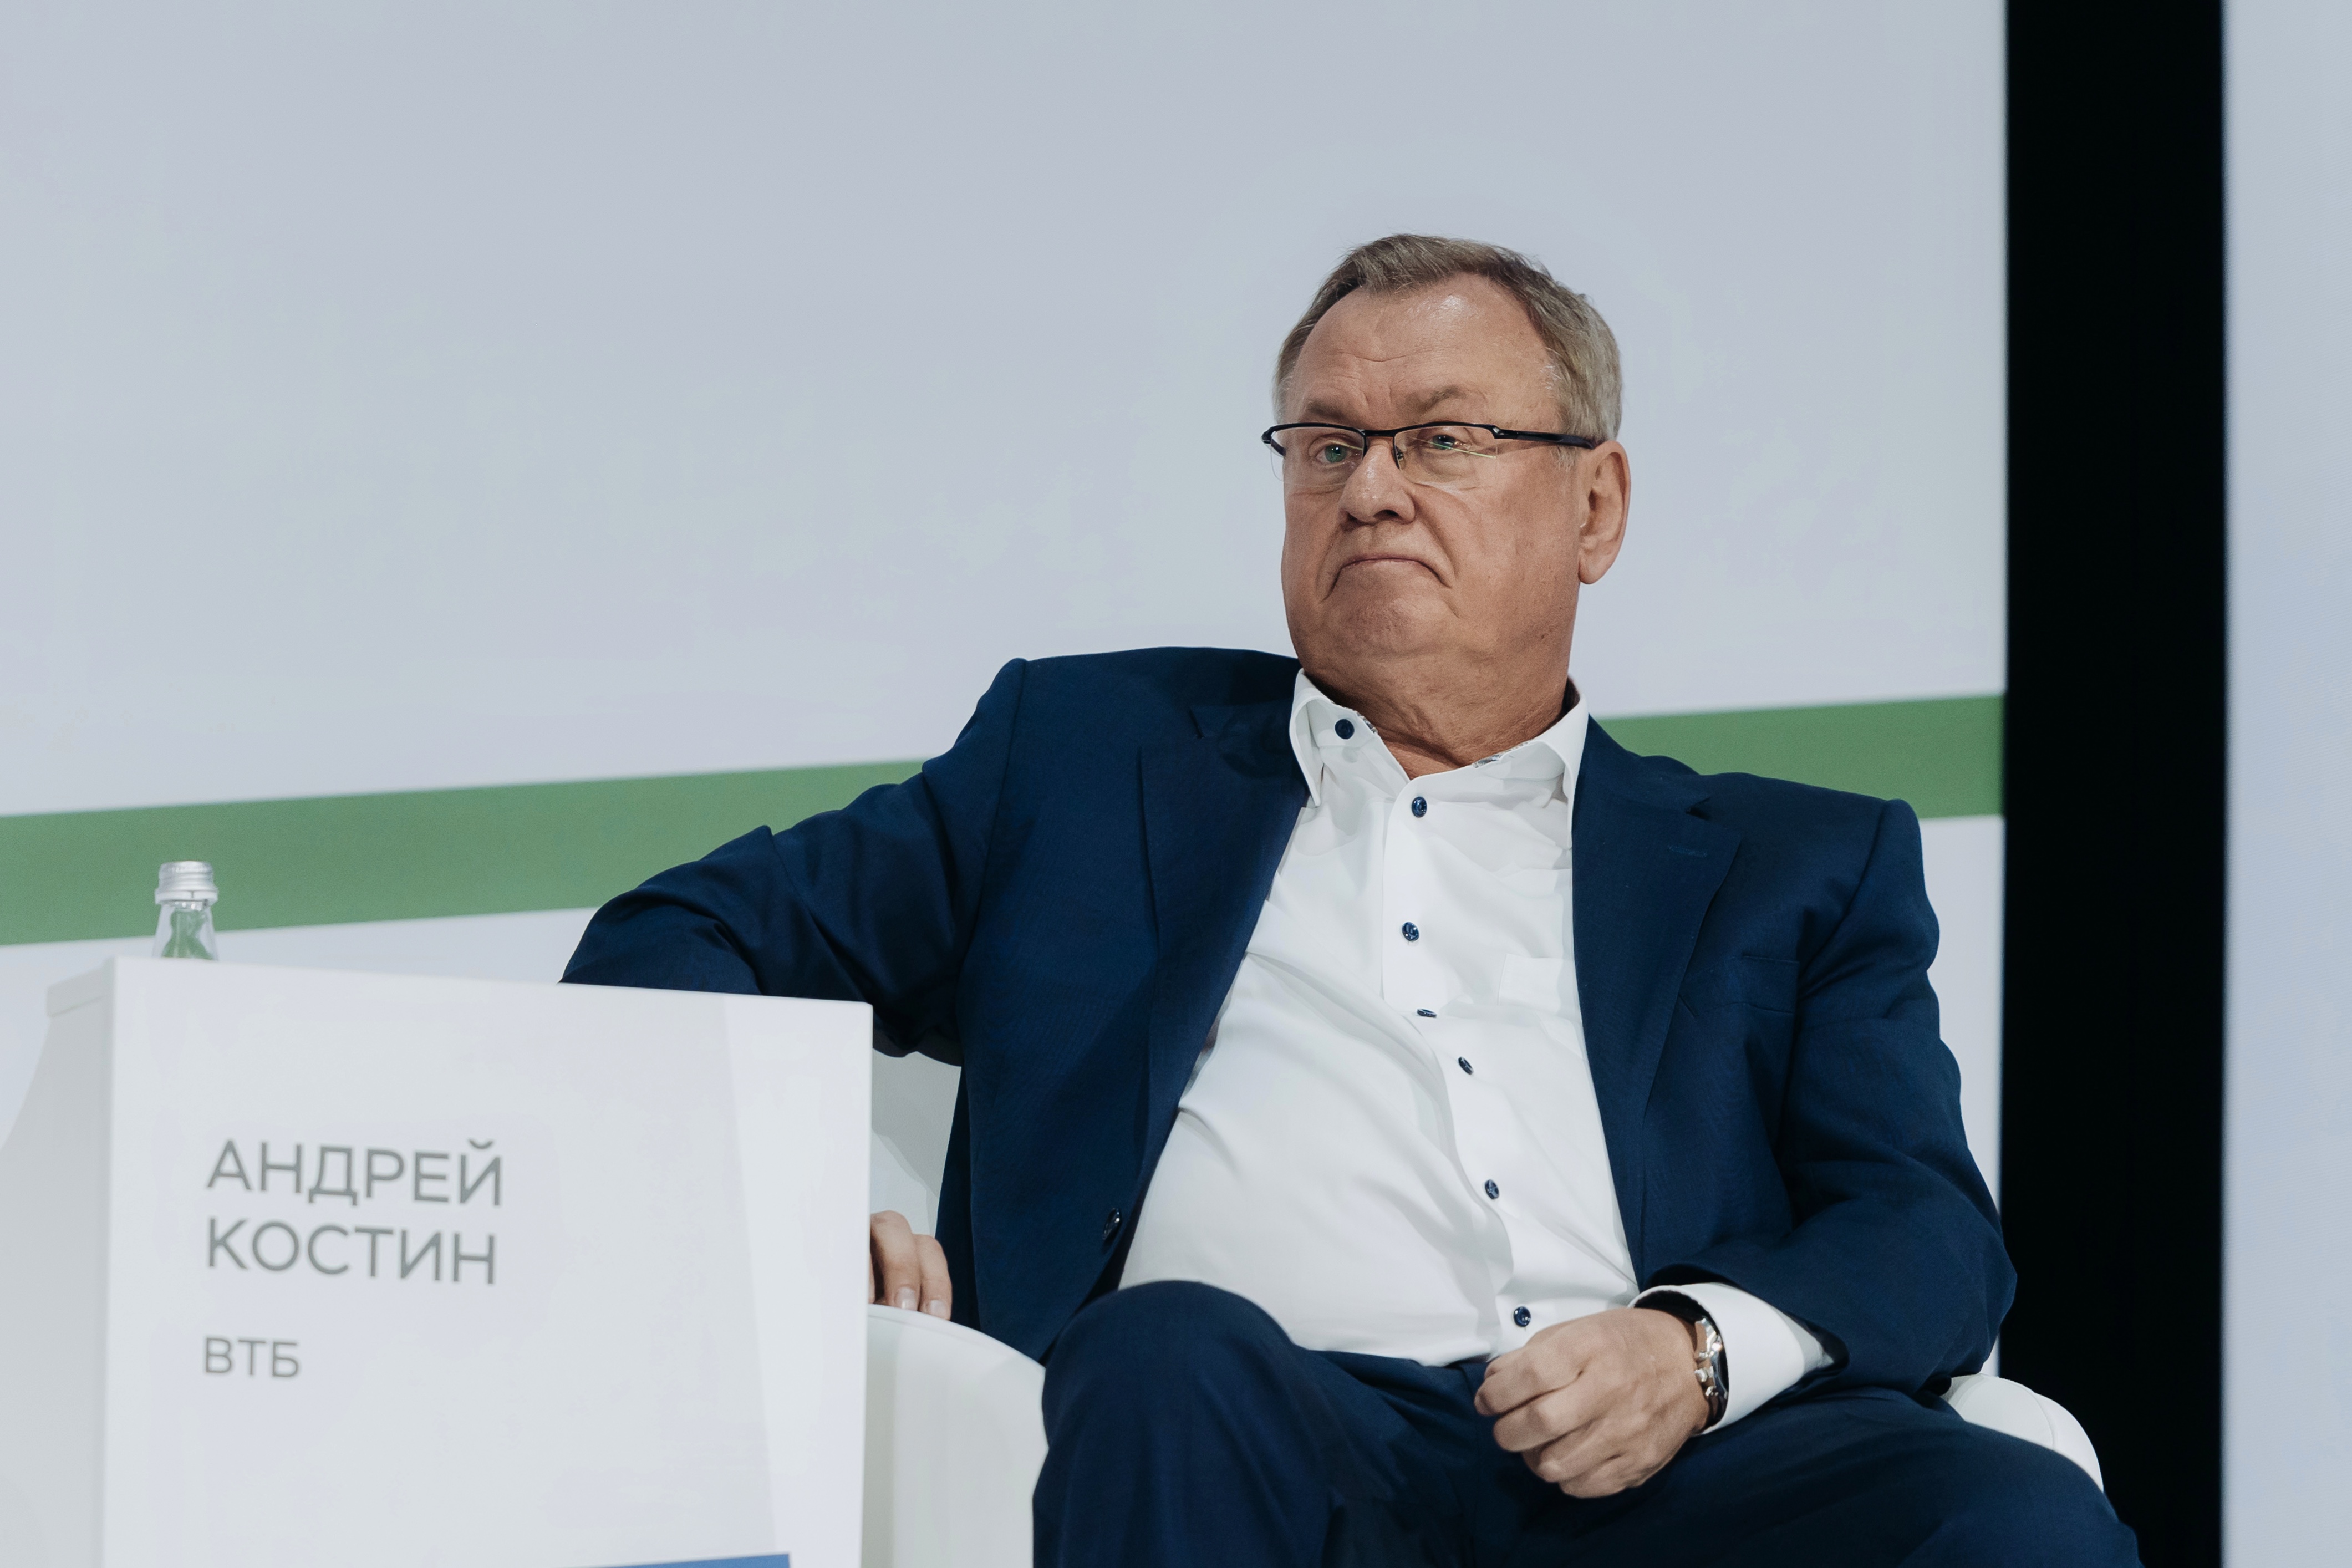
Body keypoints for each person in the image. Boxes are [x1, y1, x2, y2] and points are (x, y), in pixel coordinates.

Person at [564, 235, 2137, 1566]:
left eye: (1442, 440)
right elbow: (674, 938)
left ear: (1595, 507)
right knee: (1162, 1347)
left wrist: (1693, 1349)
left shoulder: (1795, 863)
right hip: (1262, 1439)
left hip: (1677, 1469)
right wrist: (784, 1210)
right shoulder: (1085, 763)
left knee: (2014, 1514)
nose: (1371, 489)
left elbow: (1927, 1230)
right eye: (1326, 446)